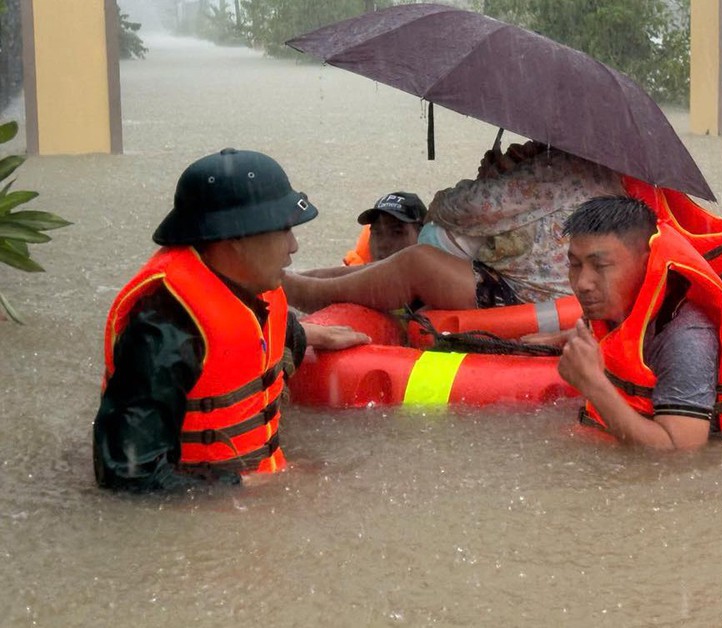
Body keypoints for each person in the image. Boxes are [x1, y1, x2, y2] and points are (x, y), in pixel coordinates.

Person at [94, 148, 370, 492]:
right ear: (235, 238)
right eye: (283, 229)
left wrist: (307, 334)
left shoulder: (254, 287)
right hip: (205, 514)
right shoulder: (164, 333)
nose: (294, 245)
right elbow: (127, 477)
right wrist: (245, 486)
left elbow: (251, 340)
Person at [282, 141, 625, 313]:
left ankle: (304, 293)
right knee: (393, 264)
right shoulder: (604, 172)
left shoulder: (555, 174)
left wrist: (494, 176)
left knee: (417, 262)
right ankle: (300, 278)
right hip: (554, 290)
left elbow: (453, 208)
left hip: (529, 296)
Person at [550, 196, 722, 451]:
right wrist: (557, 338)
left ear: (646, 263)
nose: (583, 282)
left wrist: (594, 386)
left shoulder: (686, 338)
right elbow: (614, 338)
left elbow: (681, 453)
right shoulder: (612, 303)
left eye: (600, 266)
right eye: (575, 264)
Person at [299, 191, 427, 278]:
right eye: (377, 233)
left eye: (397, 232)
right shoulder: (351, 280)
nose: (383, 244)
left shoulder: (441, 282)